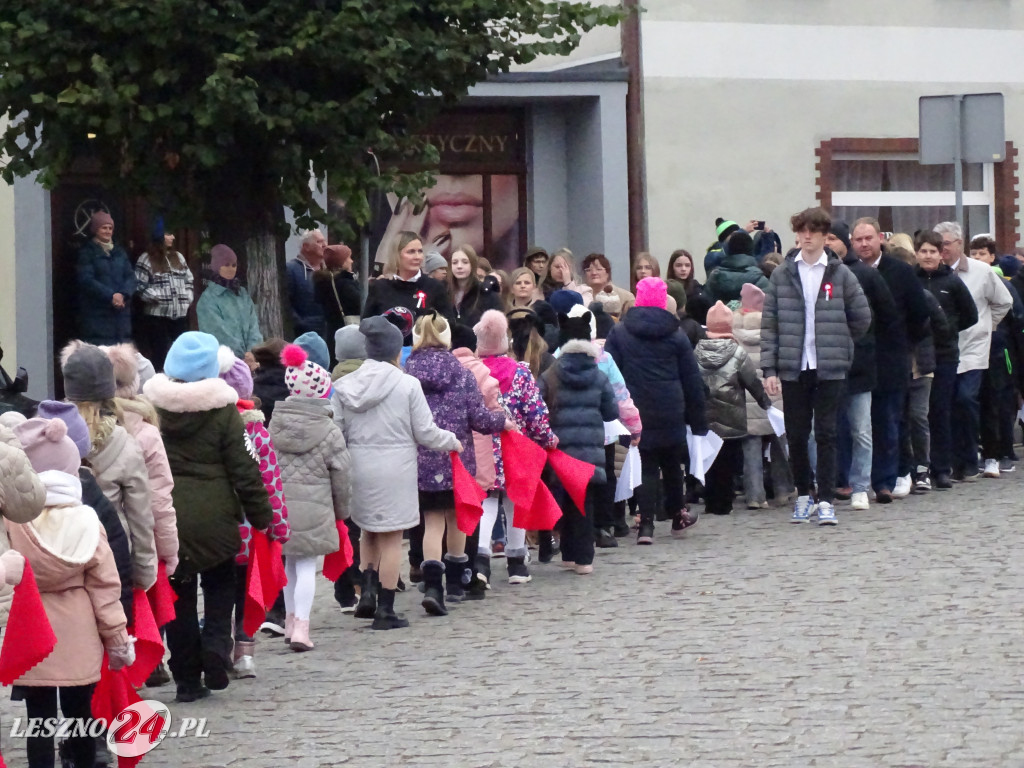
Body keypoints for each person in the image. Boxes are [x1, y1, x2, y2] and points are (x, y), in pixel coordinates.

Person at [143, 331, 273, 701]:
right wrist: (262, 515)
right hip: (216, 518)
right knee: (220, 584)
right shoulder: (223, 412)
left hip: (168, 517)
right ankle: (216, 646)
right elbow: (244, 469)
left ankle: (186, 679)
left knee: (179, 596)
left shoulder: (152, 410)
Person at [9, 417, 133, 768]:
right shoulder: (87, 520)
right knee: (81, 713)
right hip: (79, 629)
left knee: (39, 719)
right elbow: (106, 586)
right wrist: (117, 638)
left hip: (31, 626)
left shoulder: (13, 522)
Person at [333, 318, 461, 630]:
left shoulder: (342, 386)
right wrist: (453, 442)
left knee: (367, 531)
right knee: (391, 538)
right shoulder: (407, 384)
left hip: (358, 465)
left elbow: (335, 430)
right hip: (396, 467)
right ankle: (386, 609)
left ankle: (367, 592)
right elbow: (426, 432)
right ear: (394, 352)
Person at [760, 207, 871, 526]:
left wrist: (841, 341)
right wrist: (769, 369)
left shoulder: (840, 274)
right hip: (794, 365)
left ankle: (825, 499)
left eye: (813, 231)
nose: (806, 237)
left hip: (830, 365)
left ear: (825, 235)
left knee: (826, 432)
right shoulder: (783, 273)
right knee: (795, 434)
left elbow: (862, 317)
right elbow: (770, 323)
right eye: (801, 231)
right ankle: (804, 495)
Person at [405, 314, 508, 613]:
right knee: (456, 521)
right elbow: (479, 419)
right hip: (457, 459)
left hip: (421, 460)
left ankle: (433, 585)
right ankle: (454, 583)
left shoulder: (407, 375)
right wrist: (503, 421)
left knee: (432, 523)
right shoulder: (462, 375)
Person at [605, 277, 707, 543]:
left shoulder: (620, 332)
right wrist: (698, 421)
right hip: (671, 406)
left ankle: (646, 524)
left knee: (645, 463)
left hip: (636, 408)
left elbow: (610, 374)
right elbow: (691, 378)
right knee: (673, 464)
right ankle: (677, 516)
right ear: (664, 301)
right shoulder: (676, 333)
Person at [270, 344, 350, 651]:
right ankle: (302, 625)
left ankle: (290, 622)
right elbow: (341, 474)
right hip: (316, 508)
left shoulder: (273, 424)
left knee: (290, 563)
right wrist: (341, 511)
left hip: (282, 508)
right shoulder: (329, 430)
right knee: (305, 567)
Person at [60, 342, 159, 590]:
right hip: (110, 555)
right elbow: (140, 515)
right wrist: (145, 570)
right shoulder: (125, 442)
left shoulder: (47, 434)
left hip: (56, 552)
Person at [219, 352, 290, 678]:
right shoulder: (257, 432)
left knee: (217, 591)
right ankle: (244, 651)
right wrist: (278, 525)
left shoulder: (206, 428)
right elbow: (271, 483)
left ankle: (218, 647)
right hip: (250, 529)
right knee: (245, 593)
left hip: (215, 528)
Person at [474, 310, 557, 583]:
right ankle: (516, 562)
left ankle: (481, 560)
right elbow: (535, 412)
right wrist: (546, 438)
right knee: (515, 499)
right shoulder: (519, 372)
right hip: (516, 443)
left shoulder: (472, 371)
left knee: (487, 500)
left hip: (482, 446)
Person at [851, 218, 931, 502]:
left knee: (890, 420)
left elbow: (921, 313)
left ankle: (892, 476)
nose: (864, 244)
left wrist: (904, 343)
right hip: (858, 360)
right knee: (861, 424)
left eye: (868, 238)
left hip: (892, 356)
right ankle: (863, 477)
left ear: (880, 239)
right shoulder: (848, 273)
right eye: (858, 239)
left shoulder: (900, 271)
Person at [539, 311, 618, 574]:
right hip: (591, 451)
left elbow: (539, 406)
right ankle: (584, 559)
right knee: (585, 503)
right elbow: (611, 412)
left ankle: (569, 555)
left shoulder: (551, 373)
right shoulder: (598, 374)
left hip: (561, 450)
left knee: (565, 501)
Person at [933, 221, 1012, 482]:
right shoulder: (934, 272)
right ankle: (960, 459)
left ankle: (972, 455)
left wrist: (987, 327)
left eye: (945, 243)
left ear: (959, 243)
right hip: (945, 349)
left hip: (974, 348)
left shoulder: (981, 271)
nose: (941, 249)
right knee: (949, 404)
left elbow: (1004, 302)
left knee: (966, 399)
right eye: (938, 244)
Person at [826, 220, 896, 511]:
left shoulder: (866, 275)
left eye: (832, 238)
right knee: (829, 430)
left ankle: (861, 485)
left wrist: (867, 343)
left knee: (861, 429)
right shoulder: (821, 274)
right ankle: (833, 482)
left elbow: (887, 315)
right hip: (829, 364)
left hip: (861, 363)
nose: (828, 243)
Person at [914, 230, 978, 490]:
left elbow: (970, 315)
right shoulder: (911, 279)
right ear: (916, 254)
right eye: (923, 251)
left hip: (944, 355)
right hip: (917, 355)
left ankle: (942, 467)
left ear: (941, 254)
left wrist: (948, 328)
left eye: (933, 251)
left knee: (940, 411)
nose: (928, 256)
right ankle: (919, 467)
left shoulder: (951, 282)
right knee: (918, 414)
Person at [696, 301, 774, 515]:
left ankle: (711, 500)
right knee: (728, 462)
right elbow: (752, 382)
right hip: (732, 416)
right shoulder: (738, 353)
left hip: (705, 416)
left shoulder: (696, 351)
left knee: (709, 460)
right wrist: (766, 404)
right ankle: (724, 502)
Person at [731, 284, 792, 509]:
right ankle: (783, 490)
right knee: (779, 444)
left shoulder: (735, 330)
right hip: (773, 394)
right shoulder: (773, 329)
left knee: (751, 447)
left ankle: (755, 496)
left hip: (747, 397)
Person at [362, 231, 454, 342]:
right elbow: (366, 325)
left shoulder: (434, 287)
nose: (417, 257)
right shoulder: (380, 287)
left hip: (423, 353)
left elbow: (448, 324)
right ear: (397, 254)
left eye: (420, 251)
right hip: (389, 354)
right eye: (411, 252)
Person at [133, 221, 194, 371]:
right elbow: (139, 285)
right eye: (168, 234)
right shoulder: (146, 259)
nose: (173, 237)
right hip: (157, 316)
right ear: (159, 236)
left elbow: (189, 280)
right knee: (160, 354)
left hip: (179, 315)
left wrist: (187, 297)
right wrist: (156, 296)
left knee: (182, 352)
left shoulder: (178, 257)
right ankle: (160, 383)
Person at [76, 210, 136, 345]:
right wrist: (111, 296)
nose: (108, 231)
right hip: (97, 317)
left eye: (110, 228)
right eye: (104, 228)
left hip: (121, 317)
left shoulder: (120, 252)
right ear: (96, 230)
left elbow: (131, 277)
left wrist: (123, 294)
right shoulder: (87, 253)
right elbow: (86, 280)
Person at [196, 244, 264, 359]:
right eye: (226, 265)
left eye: (234, 265)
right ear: (217, 266)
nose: (231, 269)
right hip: (225, 361)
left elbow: (254, 326)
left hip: (251, 360)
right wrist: (242, 356)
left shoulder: (242, 294)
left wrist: (253, 352)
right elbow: (218, 333)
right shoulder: (208, 299)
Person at [314, 243, 361, 363]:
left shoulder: (324, 282)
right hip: (348, 331)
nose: (351, 261)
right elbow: (360, 303)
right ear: (341, 262)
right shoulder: (344, 284)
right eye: (348, 258)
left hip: (331, 333)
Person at [705, 231, 770, 304]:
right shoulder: (761, 280)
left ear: (728, 250)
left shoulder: (714, 278)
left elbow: (706, 305)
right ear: (751, 251)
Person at [448, 244, 503, 330]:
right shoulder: (443, 292)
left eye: (465, 262)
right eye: (455, 262)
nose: (459, 266)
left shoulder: (487, 295)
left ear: (473, 265)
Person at [286, 229, 328, 341]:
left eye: (325, 241)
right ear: (306, 246)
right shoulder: (291, 269)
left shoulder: (329, 271)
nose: (325, 245)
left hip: (328, 334)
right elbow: (286, 303)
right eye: (319, 242)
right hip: (303, 336)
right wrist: (301, 324)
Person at [583, 253, 635, 319]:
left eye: (598, 269)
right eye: (588, 270)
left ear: (607, 273)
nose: (594, 273)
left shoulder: (625, 297)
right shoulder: (581, 295)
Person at [667, 249, 709, 324]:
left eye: (687, 265)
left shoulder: (697, 290)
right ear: (672, 267)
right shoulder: (666, 289)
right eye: (678, 265)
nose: (683, 269)